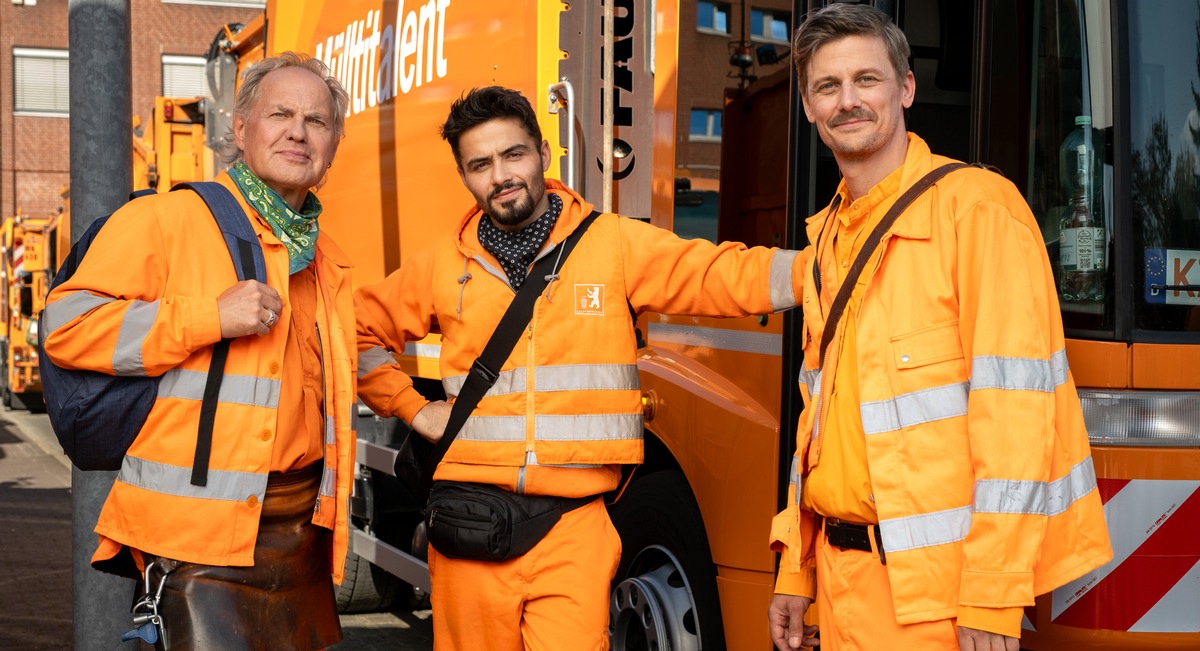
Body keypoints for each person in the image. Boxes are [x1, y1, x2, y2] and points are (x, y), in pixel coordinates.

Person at [354, 86, 803, 650]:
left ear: (543, 153)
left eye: (513, 154)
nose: (501, 175)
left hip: (575, 528)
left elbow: (716, 273)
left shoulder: (610, 244)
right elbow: (353, 330)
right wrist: (412, 409)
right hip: (469, 524)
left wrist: (822, 268)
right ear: (465, 177)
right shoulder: (446, 266)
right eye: (480, 164)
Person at [766, 5, 1112, 651]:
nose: (848, 101)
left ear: (905, 88)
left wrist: (991, 591)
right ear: (810, 108)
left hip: (936, 600)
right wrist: (797, 567)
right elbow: (820, 428)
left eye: (866, 80)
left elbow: (1017, 419)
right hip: (842, 585)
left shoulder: (977, 212)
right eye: (827, 86)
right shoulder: (831, 237)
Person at [42, 52, 357, 650]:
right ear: (241, 130)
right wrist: (207, 316)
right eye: (281, 114)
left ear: (334, 143)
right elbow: (65, 322)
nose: (298, 131)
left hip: (299, 538)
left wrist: (413, 405)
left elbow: (344, 361)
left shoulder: (325, 257)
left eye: (317, 121)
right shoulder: (167, 220)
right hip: (195, 540)